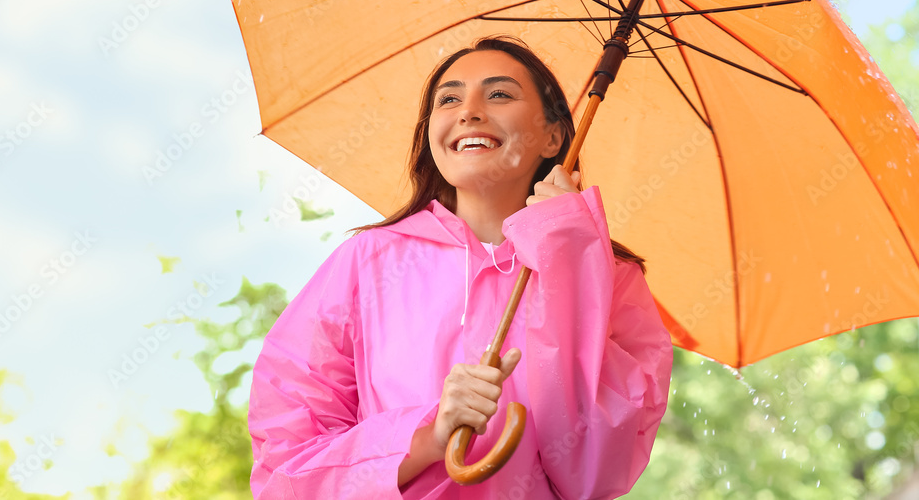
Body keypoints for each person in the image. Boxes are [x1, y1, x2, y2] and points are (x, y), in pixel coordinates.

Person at [248, 35, 673, 499]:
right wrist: (426, 438)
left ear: (552, 136)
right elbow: (287, 472)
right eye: (448, 99)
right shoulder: (366, 262)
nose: (468, 111)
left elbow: (595, 475)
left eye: (499, 94)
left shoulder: (608, 277)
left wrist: (569, 261)